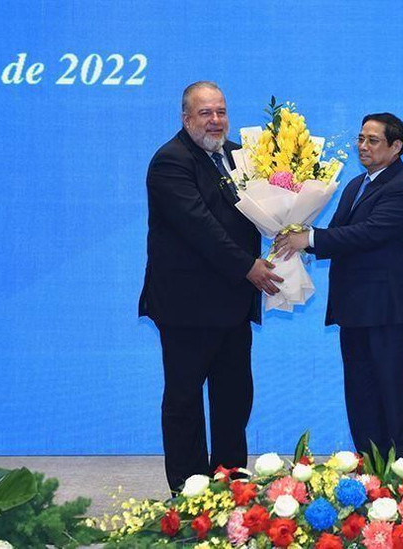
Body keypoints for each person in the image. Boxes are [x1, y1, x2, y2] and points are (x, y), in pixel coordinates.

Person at [138, 81, 283, 493]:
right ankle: (189, 494)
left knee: (233, 401)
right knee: (184, 403)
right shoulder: (170, 162)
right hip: (187, 309)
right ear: (186, 118)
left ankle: (231, 486)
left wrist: (288, 234)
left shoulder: (241, 155)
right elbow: (201, 227)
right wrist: (248, 267)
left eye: (221, 111)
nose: (215, 120)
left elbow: (265, 210)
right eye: (205, 113)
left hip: (233, 305)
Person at [274, 113, 403, 470]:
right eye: (361, 138)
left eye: (373, 140)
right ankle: (372, 480)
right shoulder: (356, 185)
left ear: (396, 147)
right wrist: (298, 241)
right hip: (355, 312)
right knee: (362, 401)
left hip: (390, 314)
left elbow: (367, 234)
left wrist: (307, 239)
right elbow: (340, 235)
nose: (363, 146)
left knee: (396, 401)